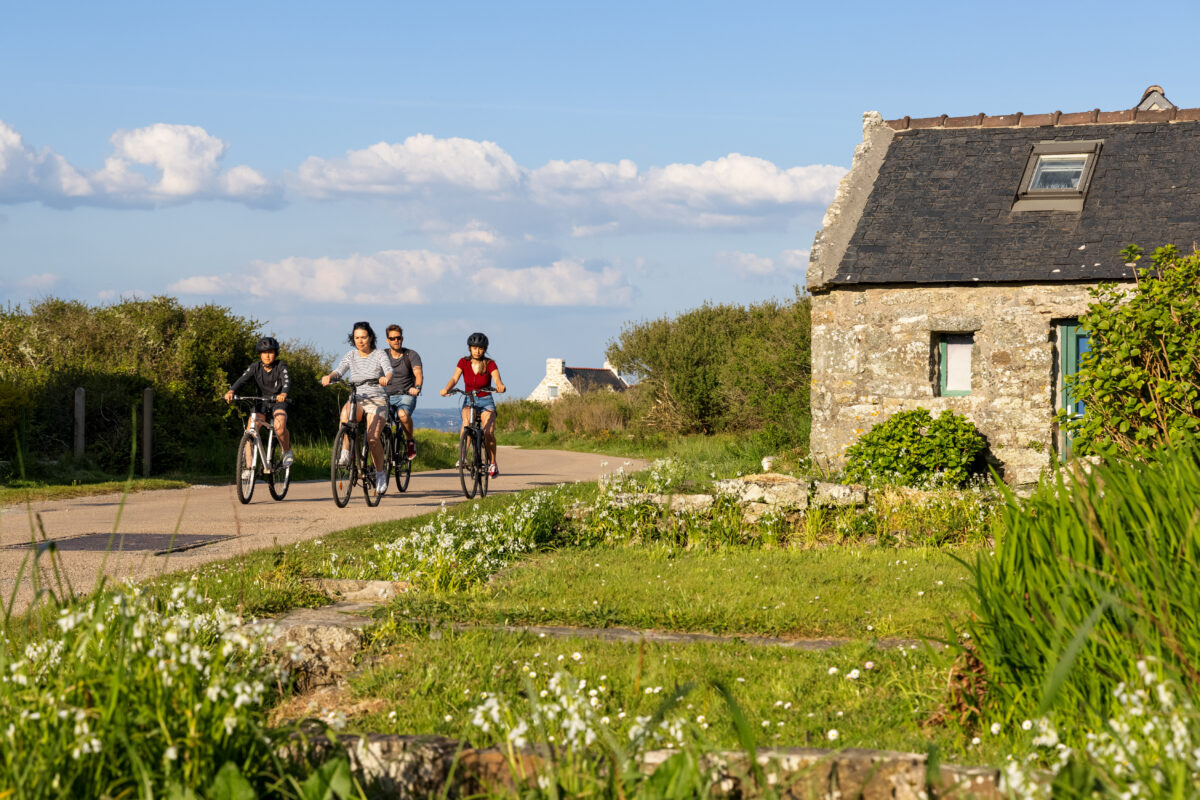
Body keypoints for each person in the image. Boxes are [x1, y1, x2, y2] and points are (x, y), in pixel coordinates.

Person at [319, 321, 393, 496]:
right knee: (345, 415)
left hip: (377, 400)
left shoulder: (379, 354)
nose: (360, 341)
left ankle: (380, 474)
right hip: (358, 398)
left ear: (370, 337)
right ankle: (346, 453)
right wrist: (329, 377)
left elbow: (389, 369)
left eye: (363, 337)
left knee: (373, 438)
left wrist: (386, 378)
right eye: (357, 337)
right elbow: (339, 371)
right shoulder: (351, 355)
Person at [225, 336, 294, 480]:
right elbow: (242, 380)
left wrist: (283, 393)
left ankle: (286, 451)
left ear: (275, 353)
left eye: (271, 352)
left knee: (279, 426)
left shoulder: (281, 366)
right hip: (261, 402)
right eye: (264, 352)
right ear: (259, 354)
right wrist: (232, 391)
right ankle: (249, 468)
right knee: (250, 430)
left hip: (278, 401)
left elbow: (287, 381)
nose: (268, 355)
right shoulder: (254, 367)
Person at [440, 331, 506, 477]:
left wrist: (500, 385)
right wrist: (446, 388)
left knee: (488, 432)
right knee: (466, 424)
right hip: (469, 399)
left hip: (486, 400)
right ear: (469, 348)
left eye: (481, 348)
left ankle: (493, 463)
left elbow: (496, 378)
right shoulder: (463, 362)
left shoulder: (490, 363)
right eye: (475, 347)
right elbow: (455, 378)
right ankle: (462, 457)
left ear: (485, 349)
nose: (477, 351)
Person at [383, 324, 423, 460]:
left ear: (402, 338)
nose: (396, 341)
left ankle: (410, 441)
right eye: (392, 338)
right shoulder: (382, 355)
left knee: (402, 415)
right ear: (387, 340)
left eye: (398, 338)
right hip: (385, 396)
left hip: (405, 395)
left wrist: (416, 388)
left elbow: (418, 373)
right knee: (378, 421)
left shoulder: (411, 355)